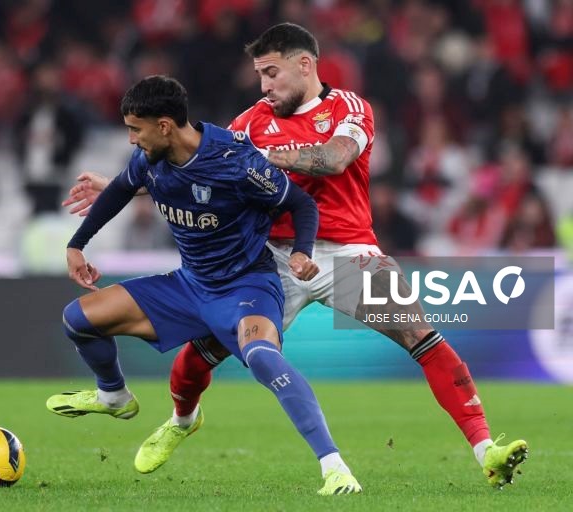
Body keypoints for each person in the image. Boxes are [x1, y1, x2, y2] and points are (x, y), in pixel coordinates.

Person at [62, 24, 528, 490]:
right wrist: (122, 186)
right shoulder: (250, 121)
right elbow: (202, 167)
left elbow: (334, 159)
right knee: (198, 357)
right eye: (259, 76)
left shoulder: (349, 108)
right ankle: (181, 421)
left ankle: (487, 450)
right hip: (269, 260)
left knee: (419, 335)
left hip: (348, 253)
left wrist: (261, 159)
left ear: (304, 64)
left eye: (271, 73)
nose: (264, 85)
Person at [46, 75, 362, 496]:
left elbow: (300, 203)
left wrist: (302, 253)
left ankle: (335, 468)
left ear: (164, 126)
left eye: (136, 129)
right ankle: (114, 397)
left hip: (246, 286)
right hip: (189, 286)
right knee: (78, 319)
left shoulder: (236, 161)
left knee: (264, 359)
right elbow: (121, 188)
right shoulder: (149, 159)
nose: (132, 139)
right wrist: (77, 244)